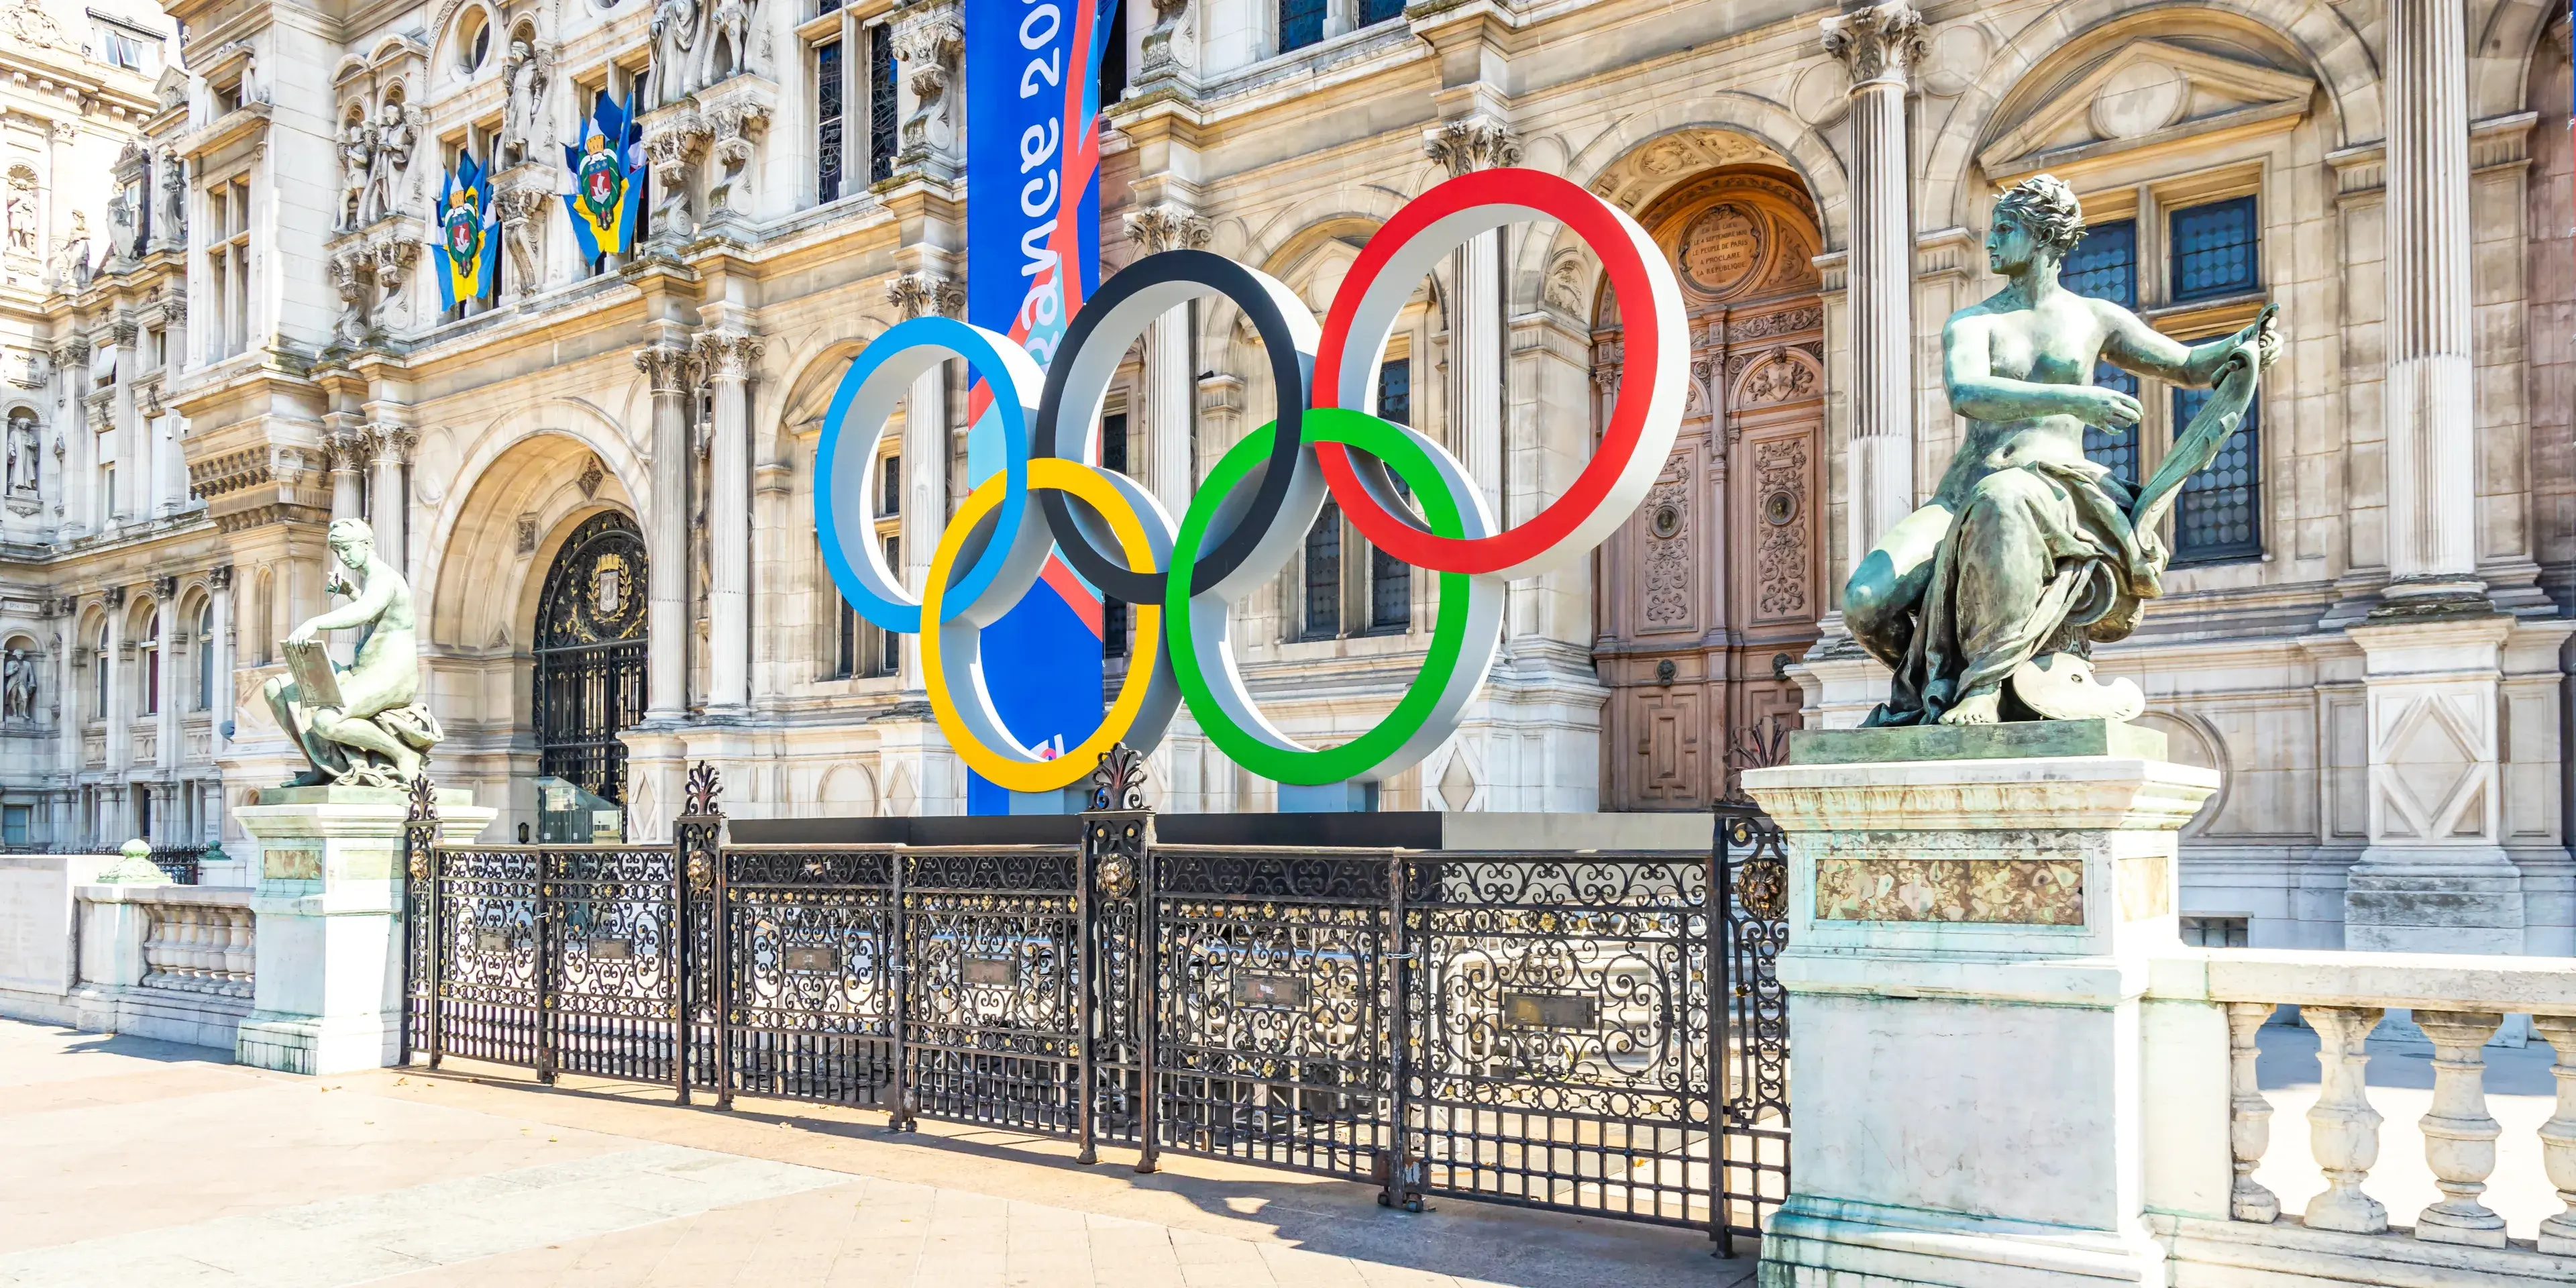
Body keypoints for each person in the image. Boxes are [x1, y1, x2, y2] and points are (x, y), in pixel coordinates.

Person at [1845, 174, 2281, 727]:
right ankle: (1940, 685)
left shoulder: (2093, 317)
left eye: (2006, 229)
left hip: (2056, 488)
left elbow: (2190, 367)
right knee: (1865, 601)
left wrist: (2246, 345)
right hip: (1961, 493)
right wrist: (2078, 399)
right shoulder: (1973, 323)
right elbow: (1967, 393)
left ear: (2045, 236)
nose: (1991, 241)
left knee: (2003, 498)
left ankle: (1986, 684)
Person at [260, 518, 441, 785]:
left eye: (346, 548)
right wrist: (351, 591)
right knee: (276, 689)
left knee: (326, 721)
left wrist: (315, 622)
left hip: (391, 676)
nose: (342, 557)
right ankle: (321, 765)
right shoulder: (373, 582)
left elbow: (365, 612)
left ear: (367, 544)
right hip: (362, 673)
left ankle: (401, 754)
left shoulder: (384, 578)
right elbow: (380, 616)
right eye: (337, 551)